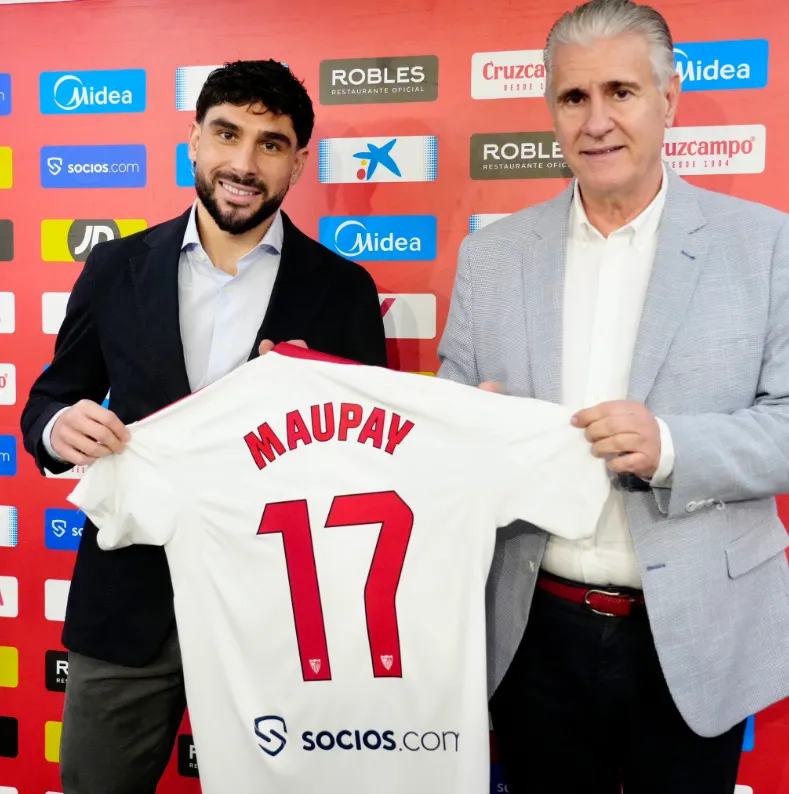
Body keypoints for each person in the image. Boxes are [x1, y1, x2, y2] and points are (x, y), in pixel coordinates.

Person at [437, 1, 789, 792]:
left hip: (697, 636)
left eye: (620, 92)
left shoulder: (766, 244)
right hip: (530, 631)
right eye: (573, 97)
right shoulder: (491, 259)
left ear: (668, 101)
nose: (596, 121)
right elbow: (450, 418)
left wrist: (669, 447)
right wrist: (470, 431)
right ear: (551, 110)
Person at [20, 59, 387, 794]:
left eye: (271, 144)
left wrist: (318, 406)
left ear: (298, 162)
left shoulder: (342, 292)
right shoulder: (117, 267)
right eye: (227, 134)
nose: (244, 164)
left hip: (280, 617)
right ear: (194, 140)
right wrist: (61, 428)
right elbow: (48, 402)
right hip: (128, 605)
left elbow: (367, 467)